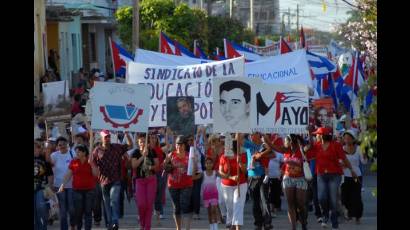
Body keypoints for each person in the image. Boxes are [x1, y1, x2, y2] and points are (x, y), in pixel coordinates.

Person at [306, 127, 358, 230]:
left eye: (317, 134)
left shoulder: (336, 145)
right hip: (321, 175)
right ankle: (325, 215)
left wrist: (352, 170)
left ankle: (334, 222)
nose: (316, 136)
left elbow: (344, 158)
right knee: (321, 197)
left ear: (322, 136)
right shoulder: (316, 145)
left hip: (335, 175)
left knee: (333, 199)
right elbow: (305, 150)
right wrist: (309, 134)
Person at [91, 130, 132, 230]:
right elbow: (92, 162)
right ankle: (110, 224)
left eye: (108, 136)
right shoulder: (97, 150)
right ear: (101, 138)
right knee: (106, 204)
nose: (107, 138)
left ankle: (114, 221)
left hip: (116, 179)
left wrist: (127, 134)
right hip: (104, 181)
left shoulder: (117, 147)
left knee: (113, 200)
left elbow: (130, 145)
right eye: (105, 137)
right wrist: (94, 168)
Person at [268, 134, 311, 230]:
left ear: (291, 142)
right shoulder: (285, 151)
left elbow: (311, 145)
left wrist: (310, 133)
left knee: (301, 203)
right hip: (288, 178)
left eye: (285, 141)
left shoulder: (302, 149)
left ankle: (303, 222)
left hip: (301, 178)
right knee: (290, 203)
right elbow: (272, 146)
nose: (284, 143)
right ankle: (293, 227)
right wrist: (266, 138)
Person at [58, 145, 99, 230]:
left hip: (89, 190)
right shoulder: (74, 162)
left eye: (78, 152)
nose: (76, 153)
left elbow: (96, 174)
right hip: (77, 191)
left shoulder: (90, 161)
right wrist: (63, 184)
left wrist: (91, 164)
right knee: (78, 213)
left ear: (84, 152)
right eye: (76, 152)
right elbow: (68, 174)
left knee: (88, 212)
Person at [239, 132, 273, 230]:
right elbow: (239, 139)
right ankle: (258, 223)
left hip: (263, 175)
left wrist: (261, 154)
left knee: (264, 200)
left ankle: (267, 222)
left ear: (258, 135)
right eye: (251, 134)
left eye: (253, 134)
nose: (251, 135)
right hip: (252, 176)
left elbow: (271, 151)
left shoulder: (263, 144)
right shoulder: (249, 144)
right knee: (255, 202)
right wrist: (242, 130)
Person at [163, 135, 197, 230]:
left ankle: (187, 227)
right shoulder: (171, 155)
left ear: (185, 145)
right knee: (176, 208)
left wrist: (194, 162)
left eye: (181, 144)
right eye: (178, 144)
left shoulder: (189, 155)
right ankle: (178, 228)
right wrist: (166, 161)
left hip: (186, 185)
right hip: (173, 185)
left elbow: (194, 171)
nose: (179, 146)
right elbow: (164, 168)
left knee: (184, 205)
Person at [218, 138, 248, 230]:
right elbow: (220, 172)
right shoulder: (223, 157)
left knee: (238, 205)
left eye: (227, 145)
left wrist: (240, 163)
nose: (225, 147)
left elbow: (244, 171)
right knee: (230, 206)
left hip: (241, 184)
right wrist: (231, 177)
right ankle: (230, 223)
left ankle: (236, 226)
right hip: (226, 185)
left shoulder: (241, 156)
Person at [131, 134, 159, 230]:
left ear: (147, 143)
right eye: (141, 142)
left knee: (149, 204)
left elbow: (157, 166)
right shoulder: (135, 152)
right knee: (141, 204)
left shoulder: (152, 152)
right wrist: (143, 156)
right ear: (138, 143)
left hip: (151, 180)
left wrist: (151, 167)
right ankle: (142, 223)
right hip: (140, 181)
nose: (142, 143)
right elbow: (134, 165)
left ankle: (147, 226)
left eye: (144, 141)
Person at [50, 136, 76, 230]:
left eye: (64, 144)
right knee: (63, 210)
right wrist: (51, 184)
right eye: (60, 145)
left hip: (71, 185)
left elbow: (76, 166)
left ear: (67, 144)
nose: (62, 146)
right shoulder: (54, 155)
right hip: (58, 186)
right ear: (57, 146)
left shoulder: (72, 153)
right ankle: (64, 228)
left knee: (72, 208)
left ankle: (73, 225)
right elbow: (49, 168)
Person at [341, 129, 367, 224]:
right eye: (345, 138)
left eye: (348, 138)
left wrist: (364, 155)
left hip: (356, 176)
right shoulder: (341, 149)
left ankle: (358, 216)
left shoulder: (359, 149)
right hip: (345, 177)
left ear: (353, 139)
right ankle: (349, 213)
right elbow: (339, 162)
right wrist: (342, 165)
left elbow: (364, 162)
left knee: (356, 197)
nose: (347, 140)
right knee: (345, 197)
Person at [206, 134, 226, 224]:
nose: (215, 143)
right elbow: (209, 164)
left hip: (223, 174)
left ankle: (223, 215)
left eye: (216, 140)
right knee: (217, 198)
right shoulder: (209, 151)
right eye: (213, 141)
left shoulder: (224, 149)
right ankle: (220, 216)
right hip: (215, 175)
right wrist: (214, 154)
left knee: (223, 198)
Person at [34, 141, 53, 230]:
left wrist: (49, 186)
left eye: (36, 147)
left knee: (40, 207)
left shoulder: (45, 159)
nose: (34, 149)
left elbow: (50, 174)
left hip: (41, 188)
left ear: (39, 148)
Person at [266, 136, 284, 217]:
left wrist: (282, 173)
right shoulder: (266, 152)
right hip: (267, 176)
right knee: (270, 193)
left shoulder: (279, 154)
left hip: (276, 176)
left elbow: (283, 163)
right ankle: (271, 208)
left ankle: (277, 206)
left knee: (276, 192)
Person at [201, 157, 220, 230]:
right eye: (207, 163)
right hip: (206, 196)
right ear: (205, 164)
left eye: (210, 163)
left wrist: (230, 175)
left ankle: (215, 227)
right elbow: (194, 177)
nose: (209, 165)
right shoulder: (203, 173)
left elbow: (224, 176)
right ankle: (211, 227)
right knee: (209, 212)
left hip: (214, 195)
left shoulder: (215, 172)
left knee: (213, 210)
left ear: (212, 164)